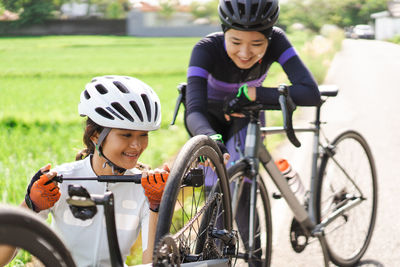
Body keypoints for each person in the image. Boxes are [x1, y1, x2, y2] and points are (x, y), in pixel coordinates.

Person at [184, 0, 321, 265]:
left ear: (269, 36)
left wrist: (253, 93)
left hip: (247, 114)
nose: (245, 53)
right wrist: (211, 138)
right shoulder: (205, 49)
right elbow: (194, 111)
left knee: (242, 186)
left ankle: (256, 257)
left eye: (257, 44)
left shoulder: (279, 40)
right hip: (208, 120)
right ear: (224, 31)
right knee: (215, 193)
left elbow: (310, 92)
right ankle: (211, 257)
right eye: (235, 42)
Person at [0, 75, 169, 267]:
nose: (137, 145)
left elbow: (152, 264)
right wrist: (30, 206)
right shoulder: (62, 179)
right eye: (126, 134)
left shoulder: (144, 188)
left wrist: (157, 206)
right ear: (95, 135)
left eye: (143, 135)